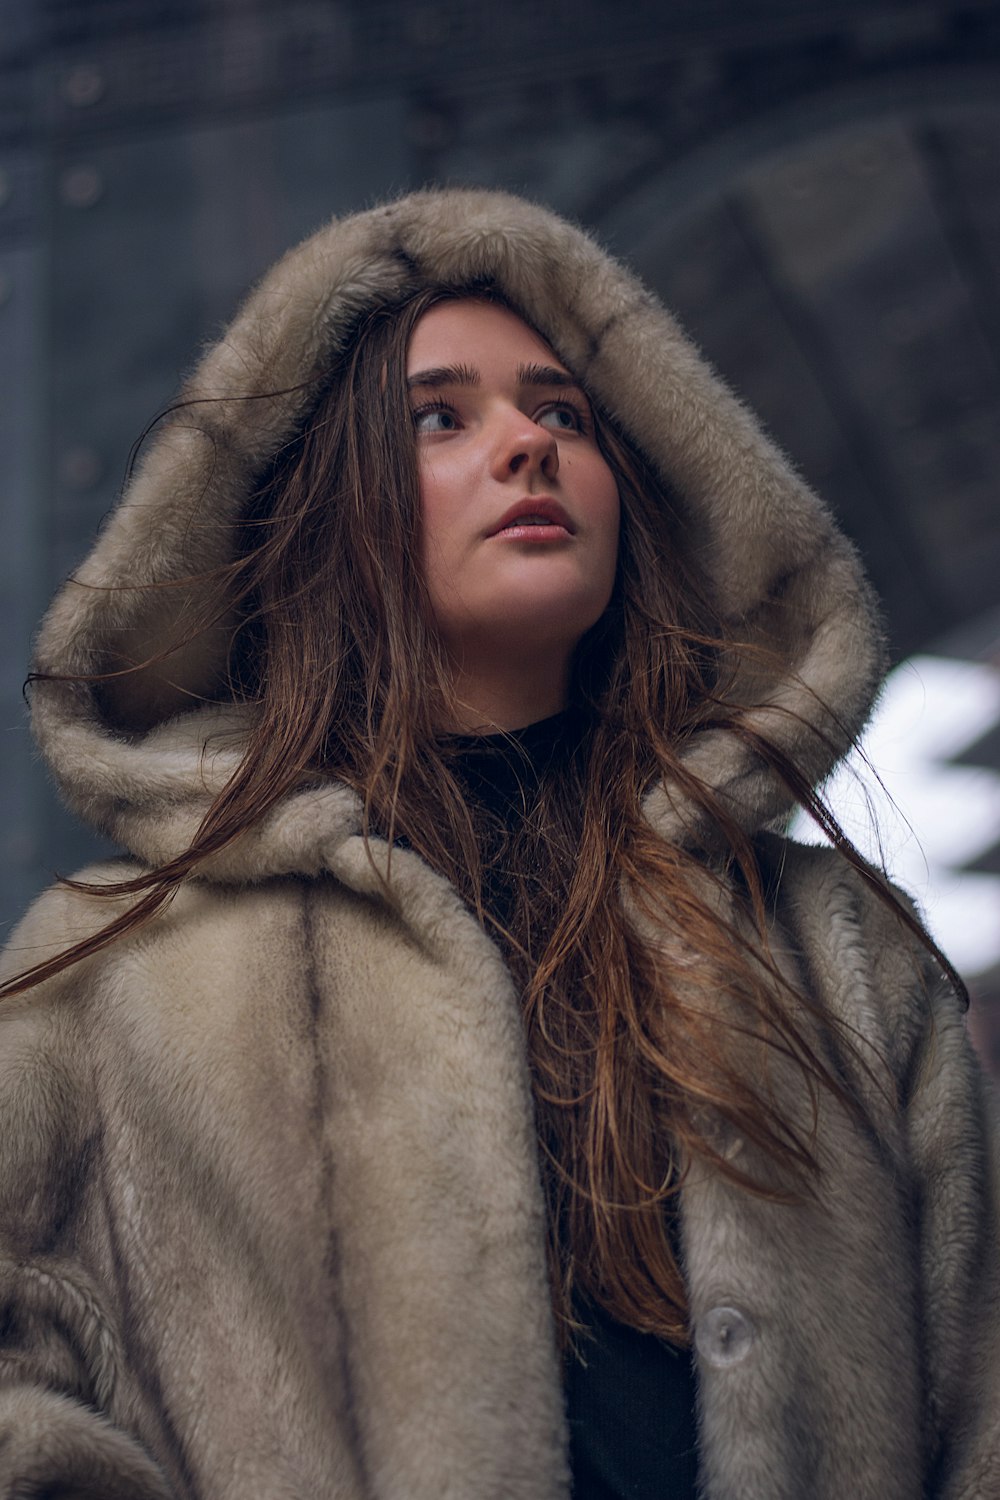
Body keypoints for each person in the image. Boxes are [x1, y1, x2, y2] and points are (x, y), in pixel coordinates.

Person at [0, 187, 997, 1500]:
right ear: (325, 513)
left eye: (563, 413)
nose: (527, 445)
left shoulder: (834, 951)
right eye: (438, 417)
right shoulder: (124, 965)